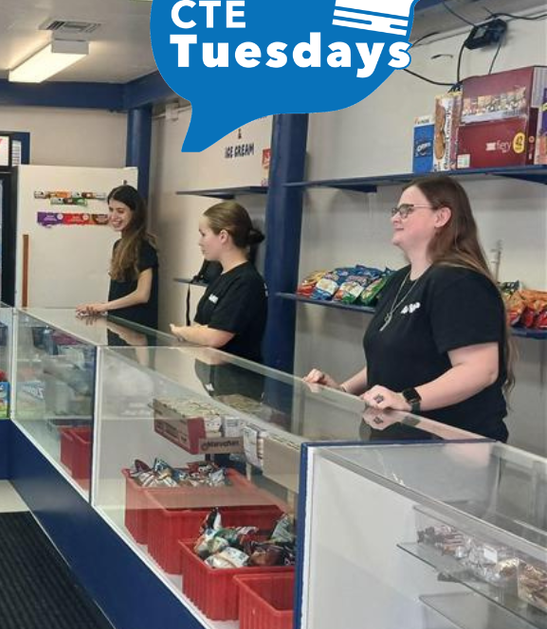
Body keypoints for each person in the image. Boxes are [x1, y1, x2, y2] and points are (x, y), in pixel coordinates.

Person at [305, 175, 512, 441]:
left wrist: (407, 399)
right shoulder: (398, 280)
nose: (395, 218)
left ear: (441, 217)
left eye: (407, 210)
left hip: (451, 449)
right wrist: (342, 391)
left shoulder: (460, 282)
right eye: (395, 211)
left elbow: (480, 370)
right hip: (397, 442)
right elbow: (395, 357)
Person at [169, 201, 267, 360]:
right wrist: (197, 332)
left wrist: (181, 331)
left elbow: (215, 337)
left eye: (203, 234)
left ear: (223, 236)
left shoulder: (246, 281)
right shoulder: (221, 277)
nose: (199, 242)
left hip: (237, 380)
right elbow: (200, 326)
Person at [76, 184, 159, 330]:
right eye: (111, 210)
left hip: (137, 329)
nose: (113, 216)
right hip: (119, 326)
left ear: (135, 213)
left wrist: (103, 307)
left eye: (120, 211)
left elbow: (142, 294)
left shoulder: (145, 248)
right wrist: (102, 308)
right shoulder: (118, 245)